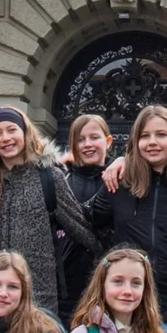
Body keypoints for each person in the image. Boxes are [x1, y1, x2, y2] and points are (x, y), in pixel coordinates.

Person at [0, 106, 97, 318]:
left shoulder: (49, 177)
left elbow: (81, 229)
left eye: (12, 130)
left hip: (37, 295)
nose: (6, 138)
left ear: (25, 133)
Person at [86, 104, 167, 333]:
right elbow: (90, 217)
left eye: (161, 134)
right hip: (127, 303)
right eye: (145, 136)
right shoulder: (120, 182)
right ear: (135, 142)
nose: (152, 142)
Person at [61, 112, 112, 308]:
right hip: (68, 280)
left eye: (94, 137)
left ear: (108, 141)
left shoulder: (119, 179)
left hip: (107, 277)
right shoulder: (63, 180)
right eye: (80, 140)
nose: (87, 144)